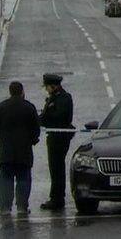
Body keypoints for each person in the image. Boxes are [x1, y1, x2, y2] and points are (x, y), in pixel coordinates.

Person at [0, 81, 40, 216]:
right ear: (22, 91)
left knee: (5, 179)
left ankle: (5, 207)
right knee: (23, 179)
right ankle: (22, 207)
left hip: (6, 151)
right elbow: (36, 128)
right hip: (24, 151)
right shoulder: (29, 107)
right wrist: (33, 141)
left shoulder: (0, 107)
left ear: (10, 92)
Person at [38, 73, 74, 211]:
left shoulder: (64, 98)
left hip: (60, 137)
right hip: (54, 136)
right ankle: (56, 197)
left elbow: (60, 117)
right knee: (55, 168)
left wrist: (44, 119)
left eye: (47, 87)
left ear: (52, 86)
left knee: (57, 168)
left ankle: (57, 199)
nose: (46, 89)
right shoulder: (54, 97)